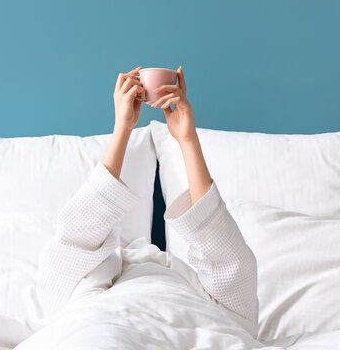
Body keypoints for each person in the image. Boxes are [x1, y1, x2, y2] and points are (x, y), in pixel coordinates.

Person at [36, 66, 258, 335]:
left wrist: (187, 139)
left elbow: (229, 261)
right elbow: (76, 237)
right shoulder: (81, 290)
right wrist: (122, 128)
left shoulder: (205, 300)